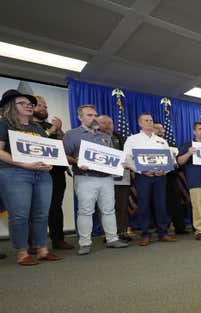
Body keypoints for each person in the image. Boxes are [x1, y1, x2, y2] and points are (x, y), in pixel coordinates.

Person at [0, 89, 62, 265]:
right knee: (19, 215)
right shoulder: (4, 123)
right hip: (14, 173)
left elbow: (46, 149)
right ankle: (22, 253)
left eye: (30, 104)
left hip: (42, 174)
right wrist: (23, 164)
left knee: (41, 214)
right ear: (11, 106)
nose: (28, 106)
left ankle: (42, 249)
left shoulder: (37, 127)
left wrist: (49, 162)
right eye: (23, 103)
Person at [63, 105, 128, 255]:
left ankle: (112, 239)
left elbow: (111, 158)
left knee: (109, 210)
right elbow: (64, 155)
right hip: (85, 178)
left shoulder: (105, 137)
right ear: (80, 117)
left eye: (95, 115)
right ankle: (85, 243)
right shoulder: (71, 135)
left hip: (106, 178)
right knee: (85, 211)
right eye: (89, 115)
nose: (94, 118)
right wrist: (76, 160)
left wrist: (119, 163)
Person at [123, 113, 175, 246]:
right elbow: (127, 159)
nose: (150, 123)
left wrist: (165, 170)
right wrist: (142, 170)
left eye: (151, 120)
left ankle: (163, 232)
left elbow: (170, 160)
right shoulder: (132, 139)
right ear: (140, 123)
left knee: (161, 204)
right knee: (144, 205)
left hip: (160, 177)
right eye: (146, 120)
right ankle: (145, 234)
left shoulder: (161, 141)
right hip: (143, 176)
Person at [33, 95, 73, 249]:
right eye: (40, 106)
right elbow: (38, 142)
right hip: (37, 170)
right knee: (36, 208)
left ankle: (58, 239)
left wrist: (60, 131)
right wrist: (52, 130)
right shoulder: (27, 125)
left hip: (56, 171)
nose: (44, 109)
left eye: (46, 106)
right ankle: (34, 243)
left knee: (56, 207)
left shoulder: (51, 126)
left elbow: (64, 146)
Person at [97, 115, 131, 241]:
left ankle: (122, 231)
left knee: (122, 205)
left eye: (109, 123)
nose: (107, 125)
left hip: (122, 177)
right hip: (102, 177)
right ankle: (109, 234)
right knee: (105, 206)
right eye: (103, 123)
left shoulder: (121, 138)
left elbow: (128, 156)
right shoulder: (94, 138)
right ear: (97, 124)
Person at [154, 122, 188, 235]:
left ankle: (180, 227)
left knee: (176, 202)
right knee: (157, 203)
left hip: (171, 176)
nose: (160, 131)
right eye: (157, 129)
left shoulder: (170, 144)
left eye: (161, 129)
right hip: (154, 176)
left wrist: (176, 163)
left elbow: (178, 162)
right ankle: (161, 228)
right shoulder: (148, 144)